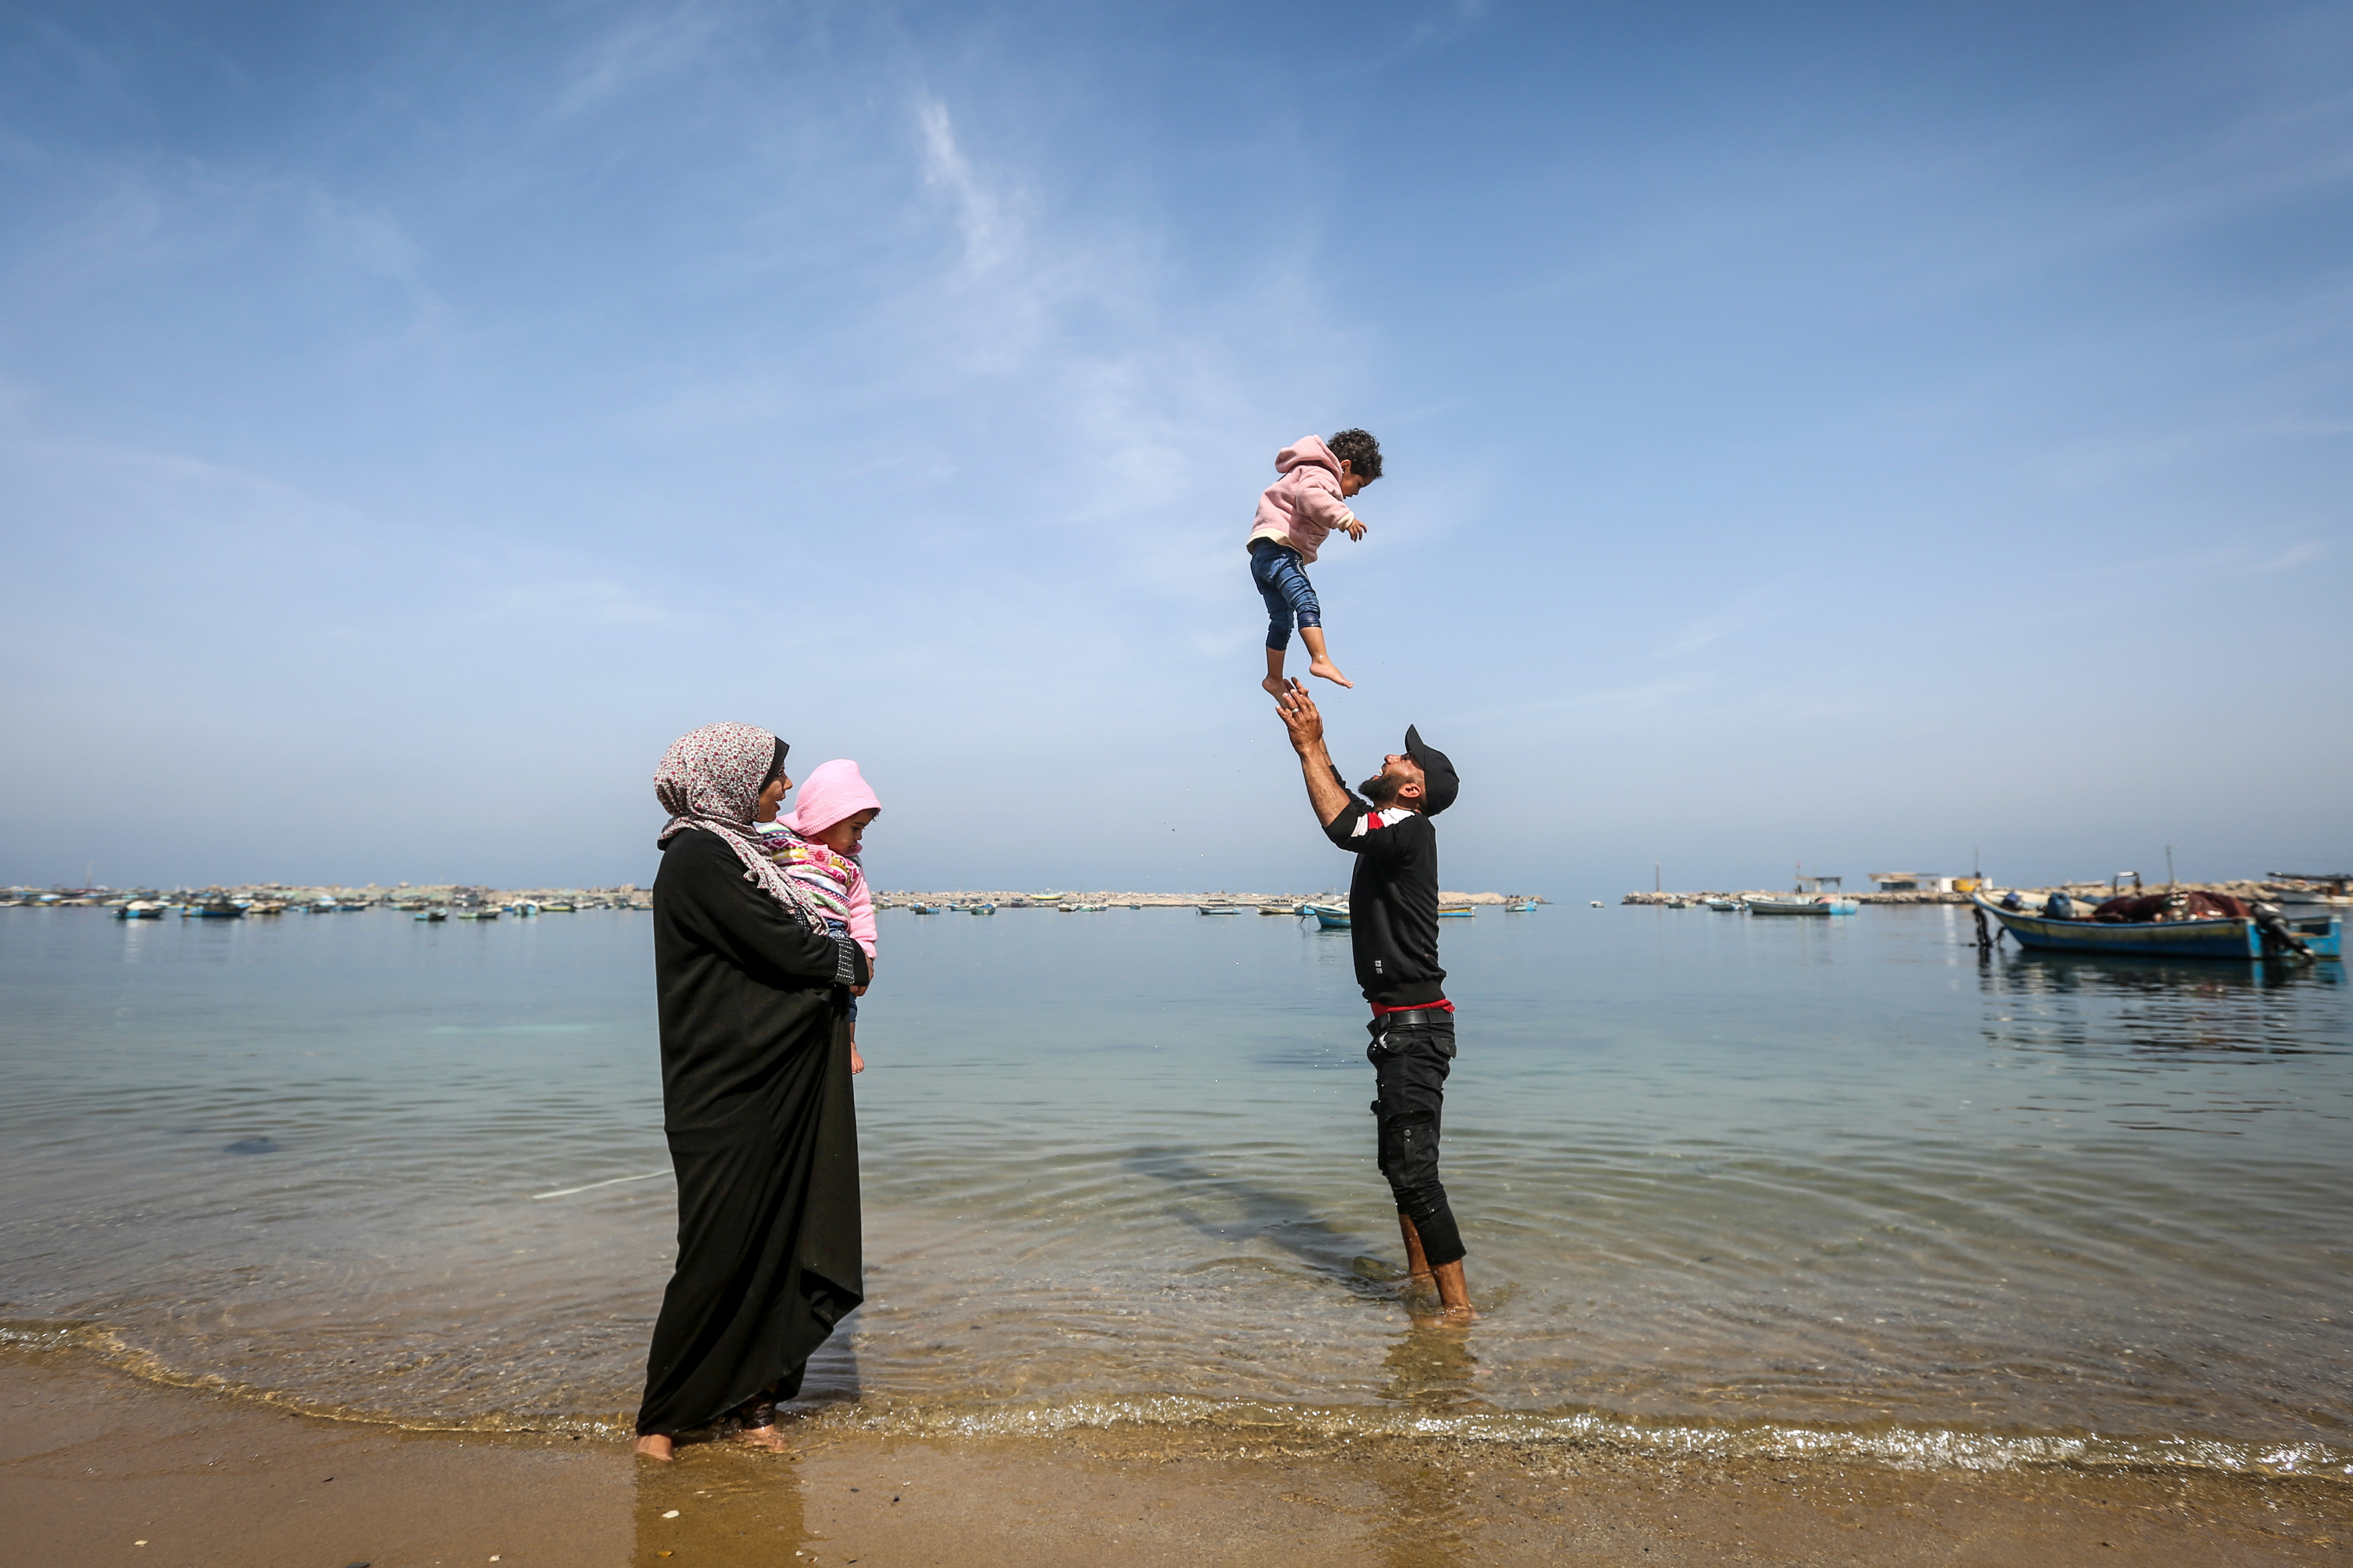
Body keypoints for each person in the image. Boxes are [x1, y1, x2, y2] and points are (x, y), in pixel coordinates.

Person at [634, 722, 870, 1460]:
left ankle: (755, 1401)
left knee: (784, 1237)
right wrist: (848, 959)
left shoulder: (745, 854)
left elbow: (801, 942)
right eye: (775, 775)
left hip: (781, 1074)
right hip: (726, 1085)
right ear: (730, 779)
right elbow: (787, 945)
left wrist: (841, 964)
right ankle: (664, 1418)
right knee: (718, 1246)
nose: (786, 789)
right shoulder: (701, 855)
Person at [1271, 679, 1473, 1319]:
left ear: (1412, 790)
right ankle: (1417, 1283)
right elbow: (1355, 810)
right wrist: (1315, 742)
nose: (1393, 756)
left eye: (1404, 759)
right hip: (1401, 1028)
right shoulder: (1396, 825)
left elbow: (1342, 822)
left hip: (1415, 1031)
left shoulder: (1409, 829)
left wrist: (1308, 751)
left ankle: (1459, 1317)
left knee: (1417, 1173)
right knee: (1400, 1166)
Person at [760, 758, 881, 1075]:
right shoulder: (777, 841)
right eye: (855, 828)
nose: (859, 839)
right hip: (792, 932)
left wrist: (865, 953)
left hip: (838, 935)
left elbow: (860, 909)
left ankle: (849, 1041)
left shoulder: (849, 865)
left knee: (845, 999)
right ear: (828, 818)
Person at [1249, 429, 1382, 696]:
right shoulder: (1323, 475)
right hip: (1281, 551)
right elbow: (1310, 497)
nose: (1356, 493)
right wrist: (1345, 518)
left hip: (1262, 555)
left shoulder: (1305, 470)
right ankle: (1320, 659)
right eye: (1359, 485)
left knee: (1281, 620)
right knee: (1306, 601)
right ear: (1345, 467)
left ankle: (1274, 678)